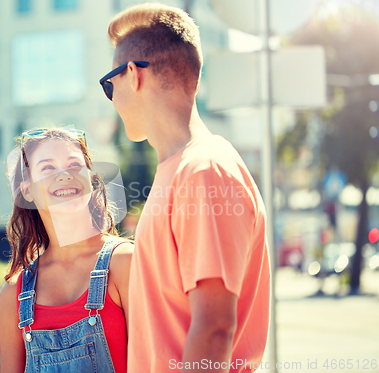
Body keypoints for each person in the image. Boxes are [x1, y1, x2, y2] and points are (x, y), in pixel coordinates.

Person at [99, 4, 271, 373]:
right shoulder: (179, 170)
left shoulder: (203, 171)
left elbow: (214, 329)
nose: (111, 98)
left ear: (133, 75)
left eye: (108, 85)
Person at [0, 127, 132, 373]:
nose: (64, 175)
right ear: (27, 190)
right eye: (47, 168)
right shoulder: (13, 295)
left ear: (90, 178)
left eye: (73, 164)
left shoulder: (125, 263)